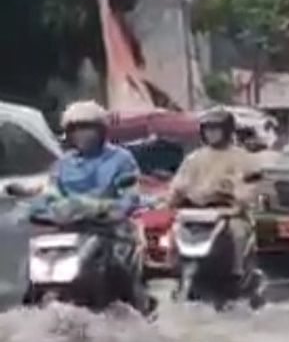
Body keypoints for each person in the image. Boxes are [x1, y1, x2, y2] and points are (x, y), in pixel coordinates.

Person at [37, 100, 154, 314]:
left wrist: (103, 208)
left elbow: (129, 197)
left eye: (87, 128)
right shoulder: (63, 164)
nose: (82, 135)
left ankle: (139, 310)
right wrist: (43, 211)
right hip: (69, 234)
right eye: (76, 129)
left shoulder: (121, 159)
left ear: (101, 131)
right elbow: (49, 197)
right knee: (33, 272)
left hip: (111, 233)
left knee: (121, 272)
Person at [170, 107, 262, 285]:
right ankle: (176, 268)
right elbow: (178, 184)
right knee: (174, 231)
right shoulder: (194, 158)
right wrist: (171, 199)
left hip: (228, 213)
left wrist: (239, 201)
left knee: (238, 232)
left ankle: (238, 271)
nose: (211, 134)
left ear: (226, 131)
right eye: (208, 129)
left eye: (215, 129)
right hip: (196, 214)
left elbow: (249, 188)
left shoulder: (242, 158)